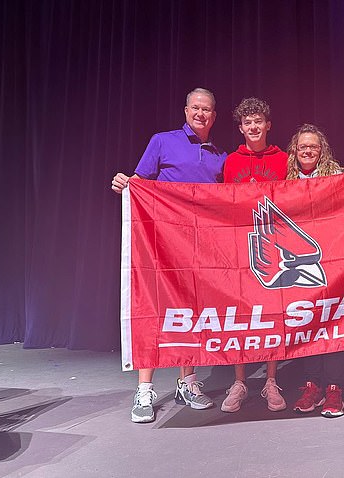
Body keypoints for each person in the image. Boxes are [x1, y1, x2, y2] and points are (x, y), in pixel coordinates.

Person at [111, 87, 226, 423]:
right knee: (154, 310)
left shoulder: (221, 155)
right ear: (186, 110)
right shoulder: (162, 140)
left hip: (199, 247)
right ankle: (144, 390)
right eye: (195, 108)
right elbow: (140, 183)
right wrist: (124, 183)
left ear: (214, 116)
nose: (201, 114)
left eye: (207, 109)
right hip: (161, 242)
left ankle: (186, 381)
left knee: (190, 312)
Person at [221, 97, 288, 412]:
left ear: (268, 124)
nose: (253, 127)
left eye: (258, 121)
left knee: (274, 314)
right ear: (241, 128)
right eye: (248, 123)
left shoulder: (282, 159)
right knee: (241, 315)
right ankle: (240, 381)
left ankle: (270, 381)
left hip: (272, 246)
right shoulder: (231, 161)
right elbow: (224, 206)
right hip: (239, 247)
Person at [285, 124, 344, 418]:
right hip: (300, 266)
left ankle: (334, 390)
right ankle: (312, 386)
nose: (307, 151)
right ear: (294, 152)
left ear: (322, 150)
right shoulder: (286, 181)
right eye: (302, 147)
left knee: (332, 322)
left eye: (313, 146)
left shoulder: (336, 176)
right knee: (307, 323)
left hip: (332, 260)